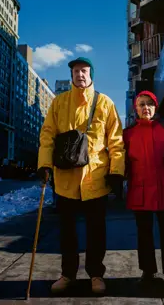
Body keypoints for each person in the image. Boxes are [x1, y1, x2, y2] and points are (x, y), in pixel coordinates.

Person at [37, 57, 125, 294]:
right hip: (66, 180)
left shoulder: (105, 103)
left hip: (95, 178)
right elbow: (47, 135)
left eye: (84, 71)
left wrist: (116, 171)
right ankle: (68, 275)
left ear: (91, 74)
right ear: (71, 75)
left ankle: (96, 274)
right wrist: (44, 165)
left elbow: (116, 141)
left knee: (96, 231)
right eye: (76, 71)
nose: (80, 75)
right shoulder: (59, 103)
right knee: (67, 232)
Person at [123, 91, 164, 290]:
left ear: (155, 106)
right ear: (136, 108)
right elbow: (122, 162)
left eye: (149, 104)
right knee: (144, 234)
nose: (145, 108)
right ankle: (148, 272)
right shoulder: (128, 133)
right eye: (141, 104)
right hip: (139, 190)